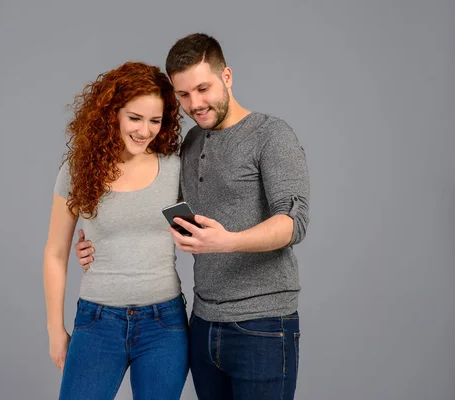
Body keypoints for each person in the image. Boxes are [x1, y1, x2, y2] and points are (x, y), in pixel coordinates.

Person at [74, 33, 310, 399]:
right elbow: (151, 210)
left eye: (203, 88)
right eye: (183, 95)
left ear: (226, 77)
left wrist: (229, 241)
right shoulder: (192, 143)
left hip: (263, 323)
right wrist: (95, 241)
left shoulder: (271, 135)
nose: (195, 104)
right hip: (202, 323)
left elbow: (294, 223)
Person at [43, 61, 188, 400]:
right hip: (97, 322)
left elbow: (203, 232)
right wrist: (55, 329)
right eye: (134, 118)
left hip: (164, 323)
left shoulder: (175, 169)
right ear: (112, 114)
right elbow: (55, 252)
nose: (145, 130)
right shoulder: (79, 169)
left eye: (155, 120)